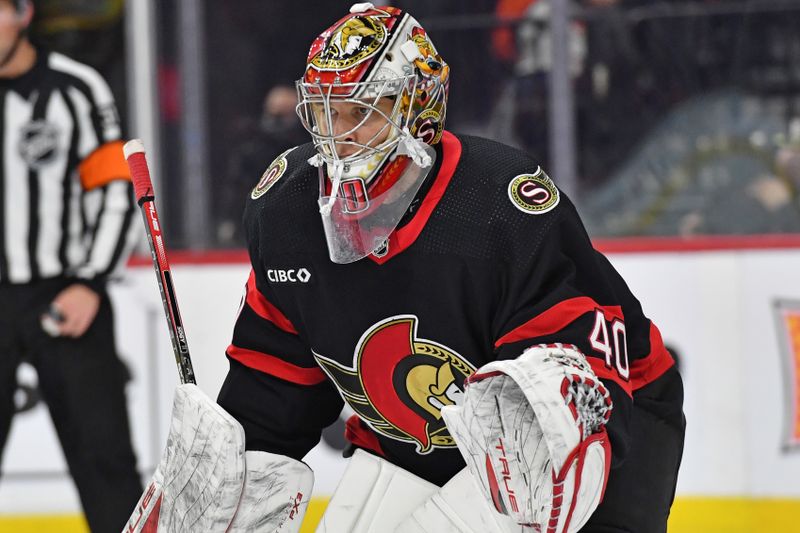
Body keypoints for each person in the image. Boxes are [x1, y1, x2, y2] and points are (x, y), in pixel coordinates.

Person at [213, 3, 685, 531]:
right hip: (426, 433)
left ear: (418, 108)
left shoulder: (498, 205)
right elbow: (270, 385)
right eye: (327, 111)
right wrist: (225, 483)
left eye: (362, 111)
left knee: (535, 420)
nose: (338, 134)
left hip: (604, 422)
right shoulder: (288, 212)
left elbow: (566, 395)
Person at [0, 1, 142, 531]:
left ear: (22, 14)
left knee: (104, 459)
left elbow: (115, 191)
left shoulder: (76, 88)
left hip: (66, 293)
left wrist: (89, 281)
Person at [218, 84, 307, 246]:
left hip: (300, 227)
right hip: (257, 225)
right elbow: (237, 187)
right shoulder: (251, 146)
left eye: (285, 114)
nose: (279, 121)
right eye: (275, 113)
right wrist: (230, 220)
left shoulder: (308, 146)